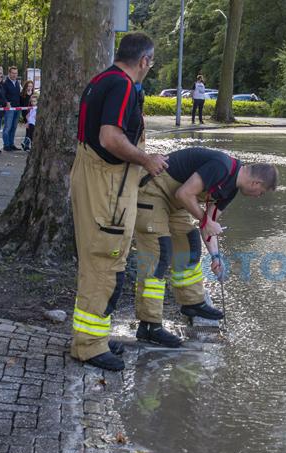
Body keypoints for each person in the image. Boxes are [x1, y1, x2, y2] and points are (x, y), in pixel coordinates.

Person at [70, 32, 167, 371]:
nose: (149, 68)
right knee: (106, 262)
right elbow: (110, 137)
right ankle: (89, 347)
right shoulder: (123, 86)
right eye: (150, 63)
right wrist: (146, 159)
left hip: (92, 179)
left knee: (96, 262)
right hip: (107, 189)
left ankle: (91, 337)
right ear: (144, 61)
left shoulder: (100, 80)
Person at [133, 147, 277, 342]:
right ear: (255, 183)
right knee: (159, 254)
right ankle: (149, 325)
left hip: (175, 201)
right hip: (153, 191)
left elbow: (209, 225)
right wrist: (205, 221)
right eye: (261, 192)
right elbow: (185, 194)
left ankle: (192, 303)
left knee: (190, 243)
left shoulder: (230, 190)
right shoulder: (222, 167)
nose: (258, 196)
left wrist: (216, 257)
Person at [2, 66, 22, 151]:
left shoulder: (17, 83)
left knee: (14, 127)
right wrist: (6, 102)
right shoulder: (5, 83)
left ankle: (11, 144)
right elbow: (2, 95)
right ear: (9, 73)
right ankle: (6, 145)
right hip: (9, 109)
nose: (14, 75)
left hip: (17, 108)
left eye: (16, 73)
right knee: (8, 127)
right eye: (13, 73)